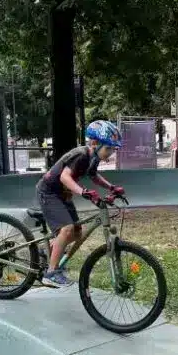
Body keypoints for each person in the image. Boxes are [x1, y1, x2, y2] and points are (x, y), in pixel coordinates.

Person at [36, 120, 125, 287]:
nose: (111, 153)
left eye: (113, 149)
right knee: (67, 228)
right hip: (48, 192)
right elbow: (64, 177)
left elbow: (93, 176)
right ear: (94, 143)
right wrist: (83, 192)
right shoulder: (81, 154)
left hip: (63, 194)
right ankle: (51, 273)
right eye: (108, 148)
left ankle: (46, 250)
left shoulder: (94, 158)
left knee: (77, 233)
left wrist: (111, 187)